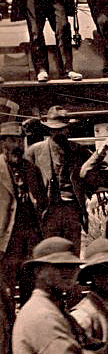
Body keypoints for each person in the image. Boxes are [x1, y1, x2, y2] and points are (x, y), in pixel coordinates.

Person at [0, 122, 46, 310]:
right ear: (2, 143)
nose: (18, 145)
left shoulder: (32, 169)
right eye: (12, 140)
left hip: (31, 240)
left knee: (32, 288)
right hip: (6, 241)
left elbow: (43, 201)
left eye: (21, 140)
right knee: (5, 291)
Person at [26, 106, 86, 245]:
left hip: (72, 208)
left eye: (62, 129)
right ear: (48, 129)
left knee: (72, 249)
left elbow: (92, 173)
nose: (58, 133)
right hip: (47, 209)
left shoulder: (79, 151)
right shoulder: (34, 151)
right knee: (49, 250)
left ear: (68, 129)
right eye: (54, 129)